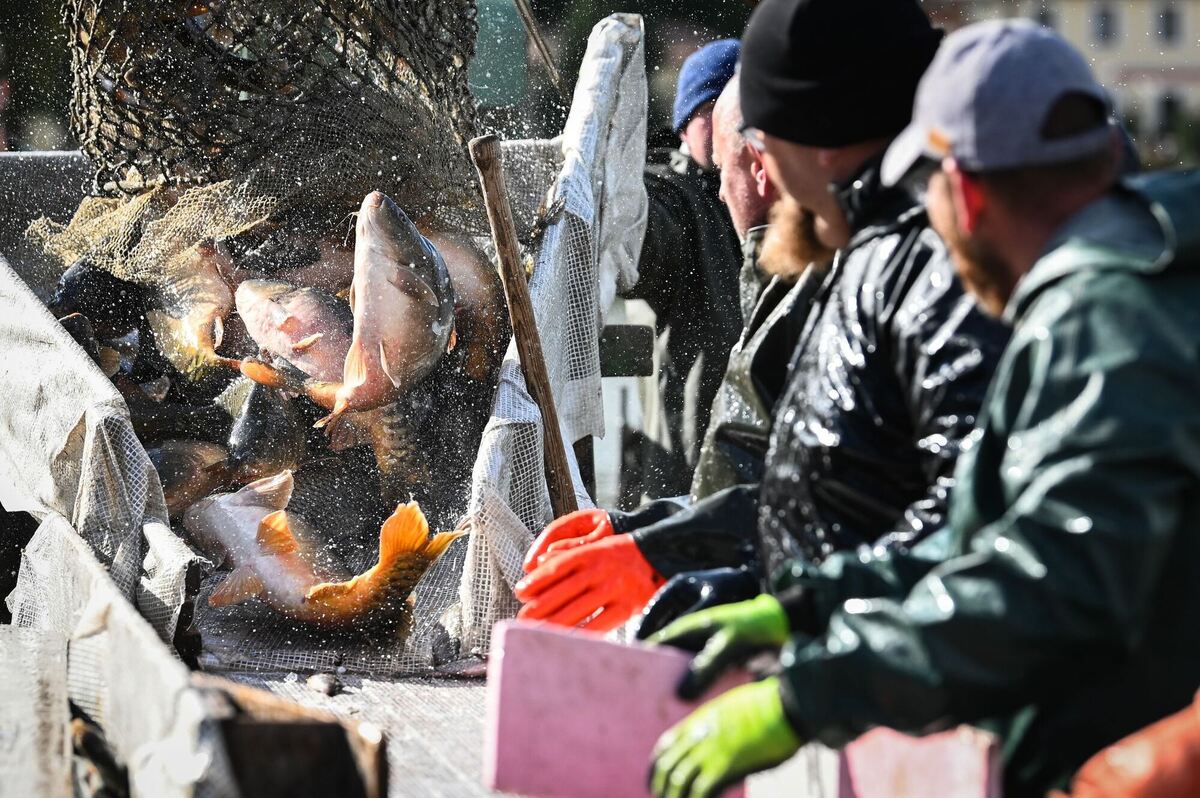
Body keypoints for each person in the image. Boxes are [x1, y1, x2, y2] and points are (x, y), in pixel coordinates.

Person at [648, 19, 1200, 798]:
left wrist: (812, 696)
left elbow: (1052, 582)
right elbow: (998, 529)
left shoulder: (1102, 313)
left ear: (965, 194)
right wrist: (808, 607)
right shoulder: (1137, 272)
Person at [516, 0, 1008, 636]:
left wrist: (786, 644)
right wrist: (655, 533)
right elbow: (835, 490)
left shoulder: (922, 259)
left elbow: (952, 521)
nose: (759, 179)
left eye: (761, 149)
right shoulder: (872, 241)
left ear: (812, 142)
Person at [622, 39, 744, 499]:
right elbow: (646, 236)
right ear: (685, 123)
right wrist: (629, 211)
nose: (733, 122)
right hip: (686, 477)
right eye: (713, 109)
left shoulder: (780, 192)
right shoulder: (675, 197)